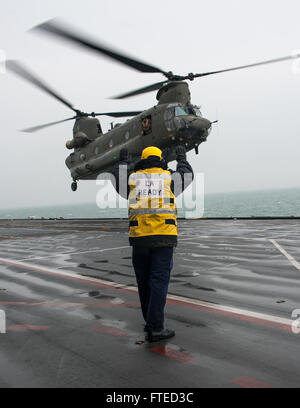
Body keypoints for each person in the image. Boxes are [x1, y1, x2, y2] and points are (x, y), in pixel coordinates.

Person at [112, 145, 193, 342]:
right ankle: (156, 327)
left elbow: (117, 179)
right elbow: (187, 175)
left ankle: (150, 323)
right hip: (164, 238)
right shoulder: (169, 178)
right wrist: (181, 158)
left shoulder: (132, 179)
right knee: (158, 281)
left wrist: (122, 162)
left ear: (142, 159)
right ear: (160, 158)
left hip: (139, 239)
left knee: (143, 282)